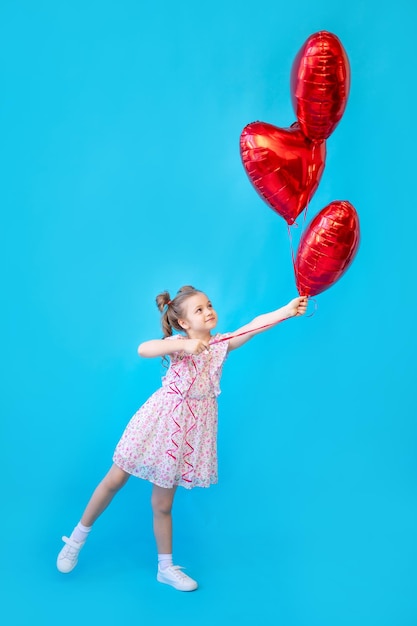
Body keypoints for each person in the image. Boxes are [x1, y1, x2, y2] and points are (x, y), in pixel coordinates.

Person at [57, 285, 308, 591]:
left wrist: (287, 310)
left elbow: (253, 326)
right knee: (114, 480)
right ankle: (77, 538)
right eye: (199, 309)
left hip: (187, 433)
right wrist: (184, 347)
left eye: (209, 305)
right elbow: (144, 349)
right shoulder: (178, 343)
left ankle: (165, 568)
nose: (209, 311)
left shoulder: (220, 345)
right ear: (185, 323)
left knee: (162, 504)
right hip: (159, 421)